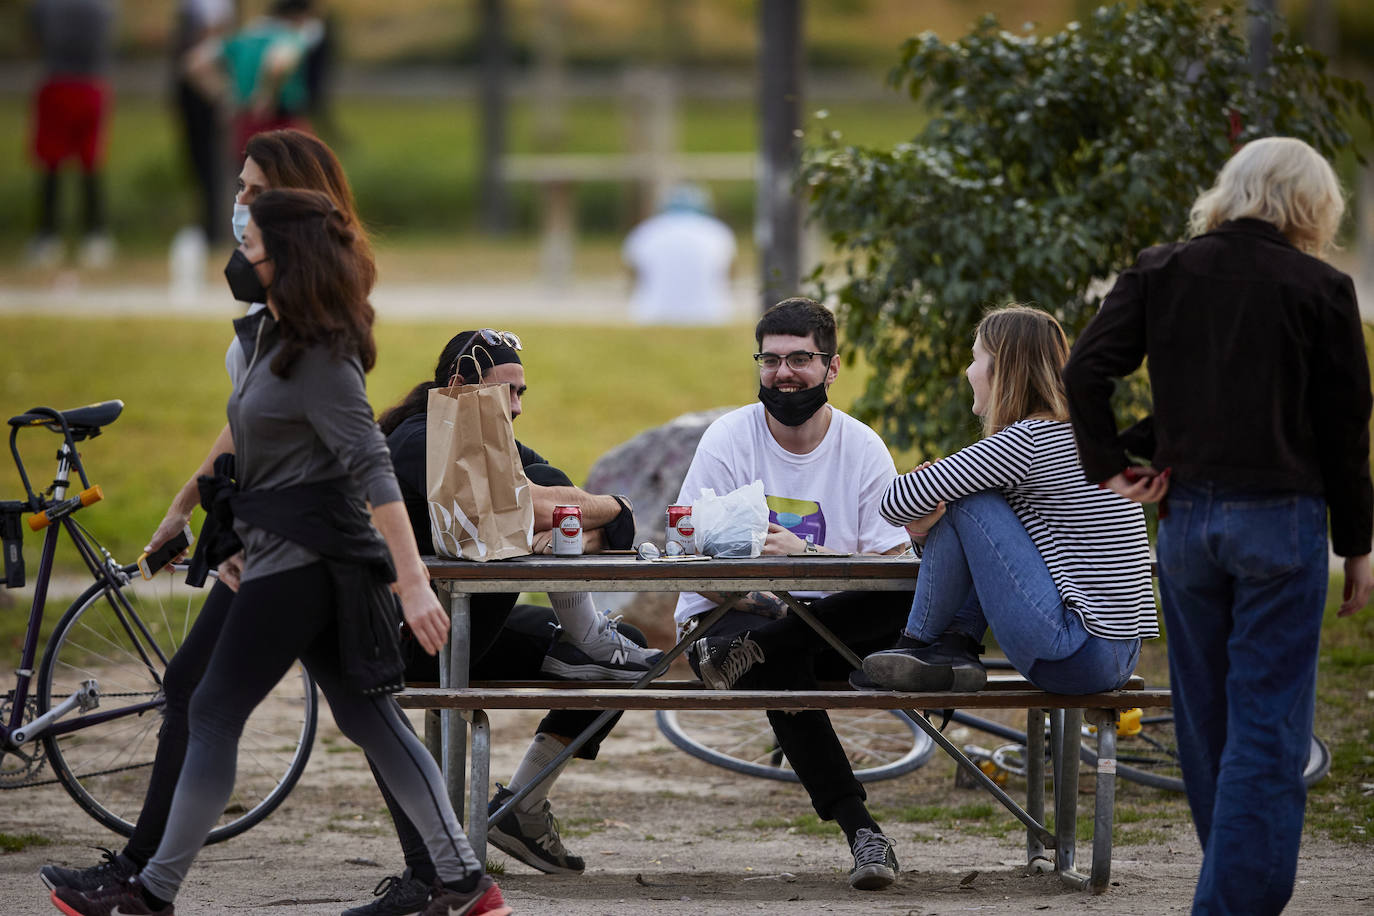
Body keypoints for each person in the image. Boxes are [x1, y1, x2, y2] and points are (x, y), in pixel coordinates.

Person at [50, 190, 512, 916]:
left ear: (285, 256)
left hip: (309, 556)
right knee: (369, 719)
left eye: (254, 243)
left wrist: (414, 581)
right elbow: (259, 453)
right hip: (286, 549)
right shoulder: (274, 338)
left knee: (211, 711)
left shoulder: (324, 356)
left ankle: (151, 893)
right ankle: (466, 884)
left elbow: (372, 465)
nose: (242, 254)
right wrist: (209, 521)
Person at [38, 129, 377, 908]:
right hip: (265, 528)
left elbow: (347, 452)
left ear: (294, 203)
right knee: (336, 709)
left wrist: (260, 534)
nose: (239, 206)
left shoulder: (316, 309)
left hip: (292, 536)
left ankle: (141, 879)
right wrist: (183, 503)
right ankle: (446, 872)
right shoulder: (272, 299)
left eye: (254, 192)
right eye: (240, 188)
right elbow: (245, 421)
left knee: (233, 700)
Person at [1061, 136, 1374, 915]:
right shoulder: (1323, 287)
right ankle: (1229, 905)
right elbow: (1346, 430)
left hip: (1187, 525)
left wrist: (1110, 468)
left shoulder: (1161, 270)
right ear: (1314, 203)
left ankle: (1233, 891)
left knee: (1207, 723)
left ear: (1230, 190)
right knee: (1268, 726)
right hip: (1282, 525)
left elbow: (1084, 369)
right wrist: (1358, 545)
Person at [346, 331, 660, 913]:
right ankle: (443, 861)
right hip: (414, 637)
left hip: (475, 627)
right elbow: (542, 509)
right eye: (506, 392)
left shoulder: (497, 441)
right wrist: (610, 509)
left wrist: (565, 519)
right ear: (461, 387)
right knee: (593, 639)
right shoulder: (420, 437)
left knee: (631, 656)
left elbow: (562, 498)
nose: (517, 406)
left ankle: (520, 807)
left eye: (522, 392)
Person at [672, 297, 913, 890]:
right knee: (772, 656)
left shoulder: (862, 448)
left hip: (822, 629)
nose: (783, 373)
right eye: (770, 359)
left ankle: (773, 646)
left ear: (831, 368)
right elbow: (694, 566)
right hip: (727, 626)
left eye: (800, 359)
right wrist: (774, 602)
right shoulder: (729, 439)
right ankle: (861, 829)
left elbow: (892, 567)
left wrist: (808, 560)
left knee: (881, 606)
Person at [860, 306, 1156, 701]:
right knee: (970, 494)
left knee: (969, 497)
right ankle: (955, 648)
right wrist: (927, 525)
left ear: (1003, 369)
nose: (968, 371)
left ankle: (915, 644)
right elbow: (994, 553)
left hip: (1074, 652)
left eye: (975, 357)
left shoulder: (1029, 441)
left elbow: (894, 501)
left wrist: (929, 505)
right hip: (1118, 654)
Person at [26, 0, 118, 269]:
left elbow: (34, 37)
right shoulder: (102, 7)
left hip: (57, 82)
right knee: (91, 164)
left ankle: (47, 236)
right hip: (91, 85)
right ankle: (96, 235)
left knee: (50, 164)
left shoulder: (46, 6)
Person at [186, 0, 322, 157]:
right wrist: (267, 95)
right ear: (301, 16)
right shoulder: (290, 35)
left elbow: (194, 64)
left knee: (249, 177)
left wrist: (225, 97)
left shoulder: (244, 36)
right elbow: (278, 63)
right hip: (282, 124)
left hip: (244, 123)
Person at [622, 182, 737, 324]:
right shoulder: (718, 232)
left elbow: (634, 276)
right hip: (711, 314)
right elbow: (729, 274)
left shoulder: (645, 231)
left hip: (651, 314)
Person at [169, 0, 234, 245]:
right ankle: (208, 227)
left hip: (214, 103)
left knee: (220, 167)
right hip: (194, 103)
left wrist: (223, 97)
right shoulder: (187, 11)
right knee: (199, 166)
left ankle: (218, 229)